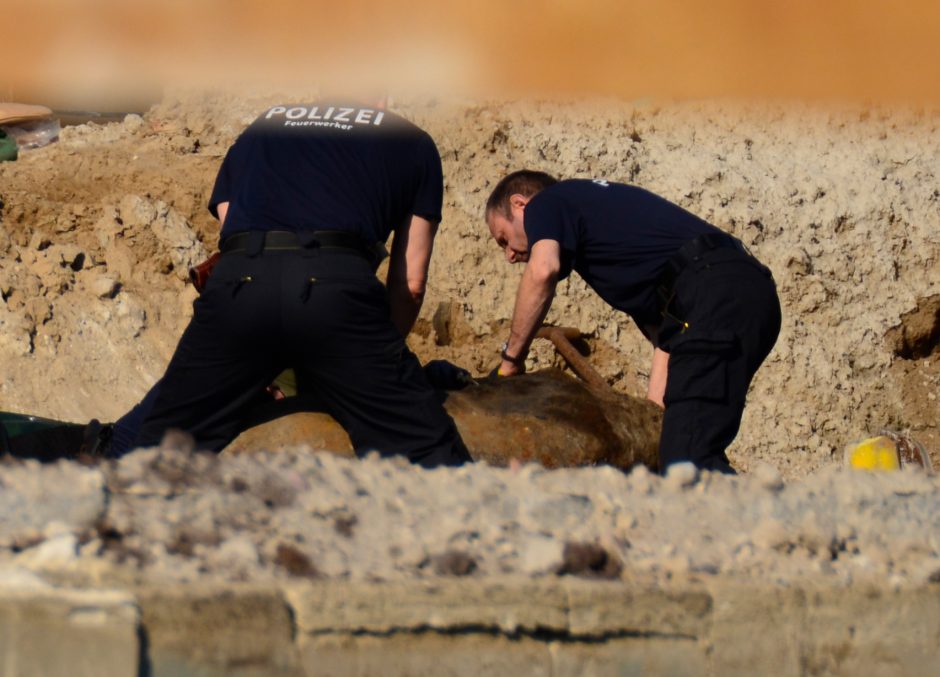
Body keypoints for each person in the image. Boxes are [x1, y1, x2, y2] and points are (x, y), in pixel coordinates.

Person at [131, 101, 471, 468]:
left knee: (159, 451)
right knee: (429, 454)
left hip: (242, 282)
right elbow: (411, 282)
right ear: (382, 98)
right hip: (335, 285)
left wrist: (265, 356)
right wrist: (374, 361)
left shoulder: (268, 122)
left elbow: (230, 224)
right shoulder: (412, 140)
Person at [485, 170, 781, 474]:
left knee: (688, 461)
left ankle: (777, 519)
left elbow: (543, 270)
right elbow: (666, 339)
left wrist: (510, 361)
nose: (509, 255)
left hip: (717, 291)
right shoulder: (617, 240)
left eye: (504, 239)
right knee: (679, 452)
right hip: (741, 296)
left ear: (520, 205)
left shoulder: (548, 202)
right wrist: (654, 421)